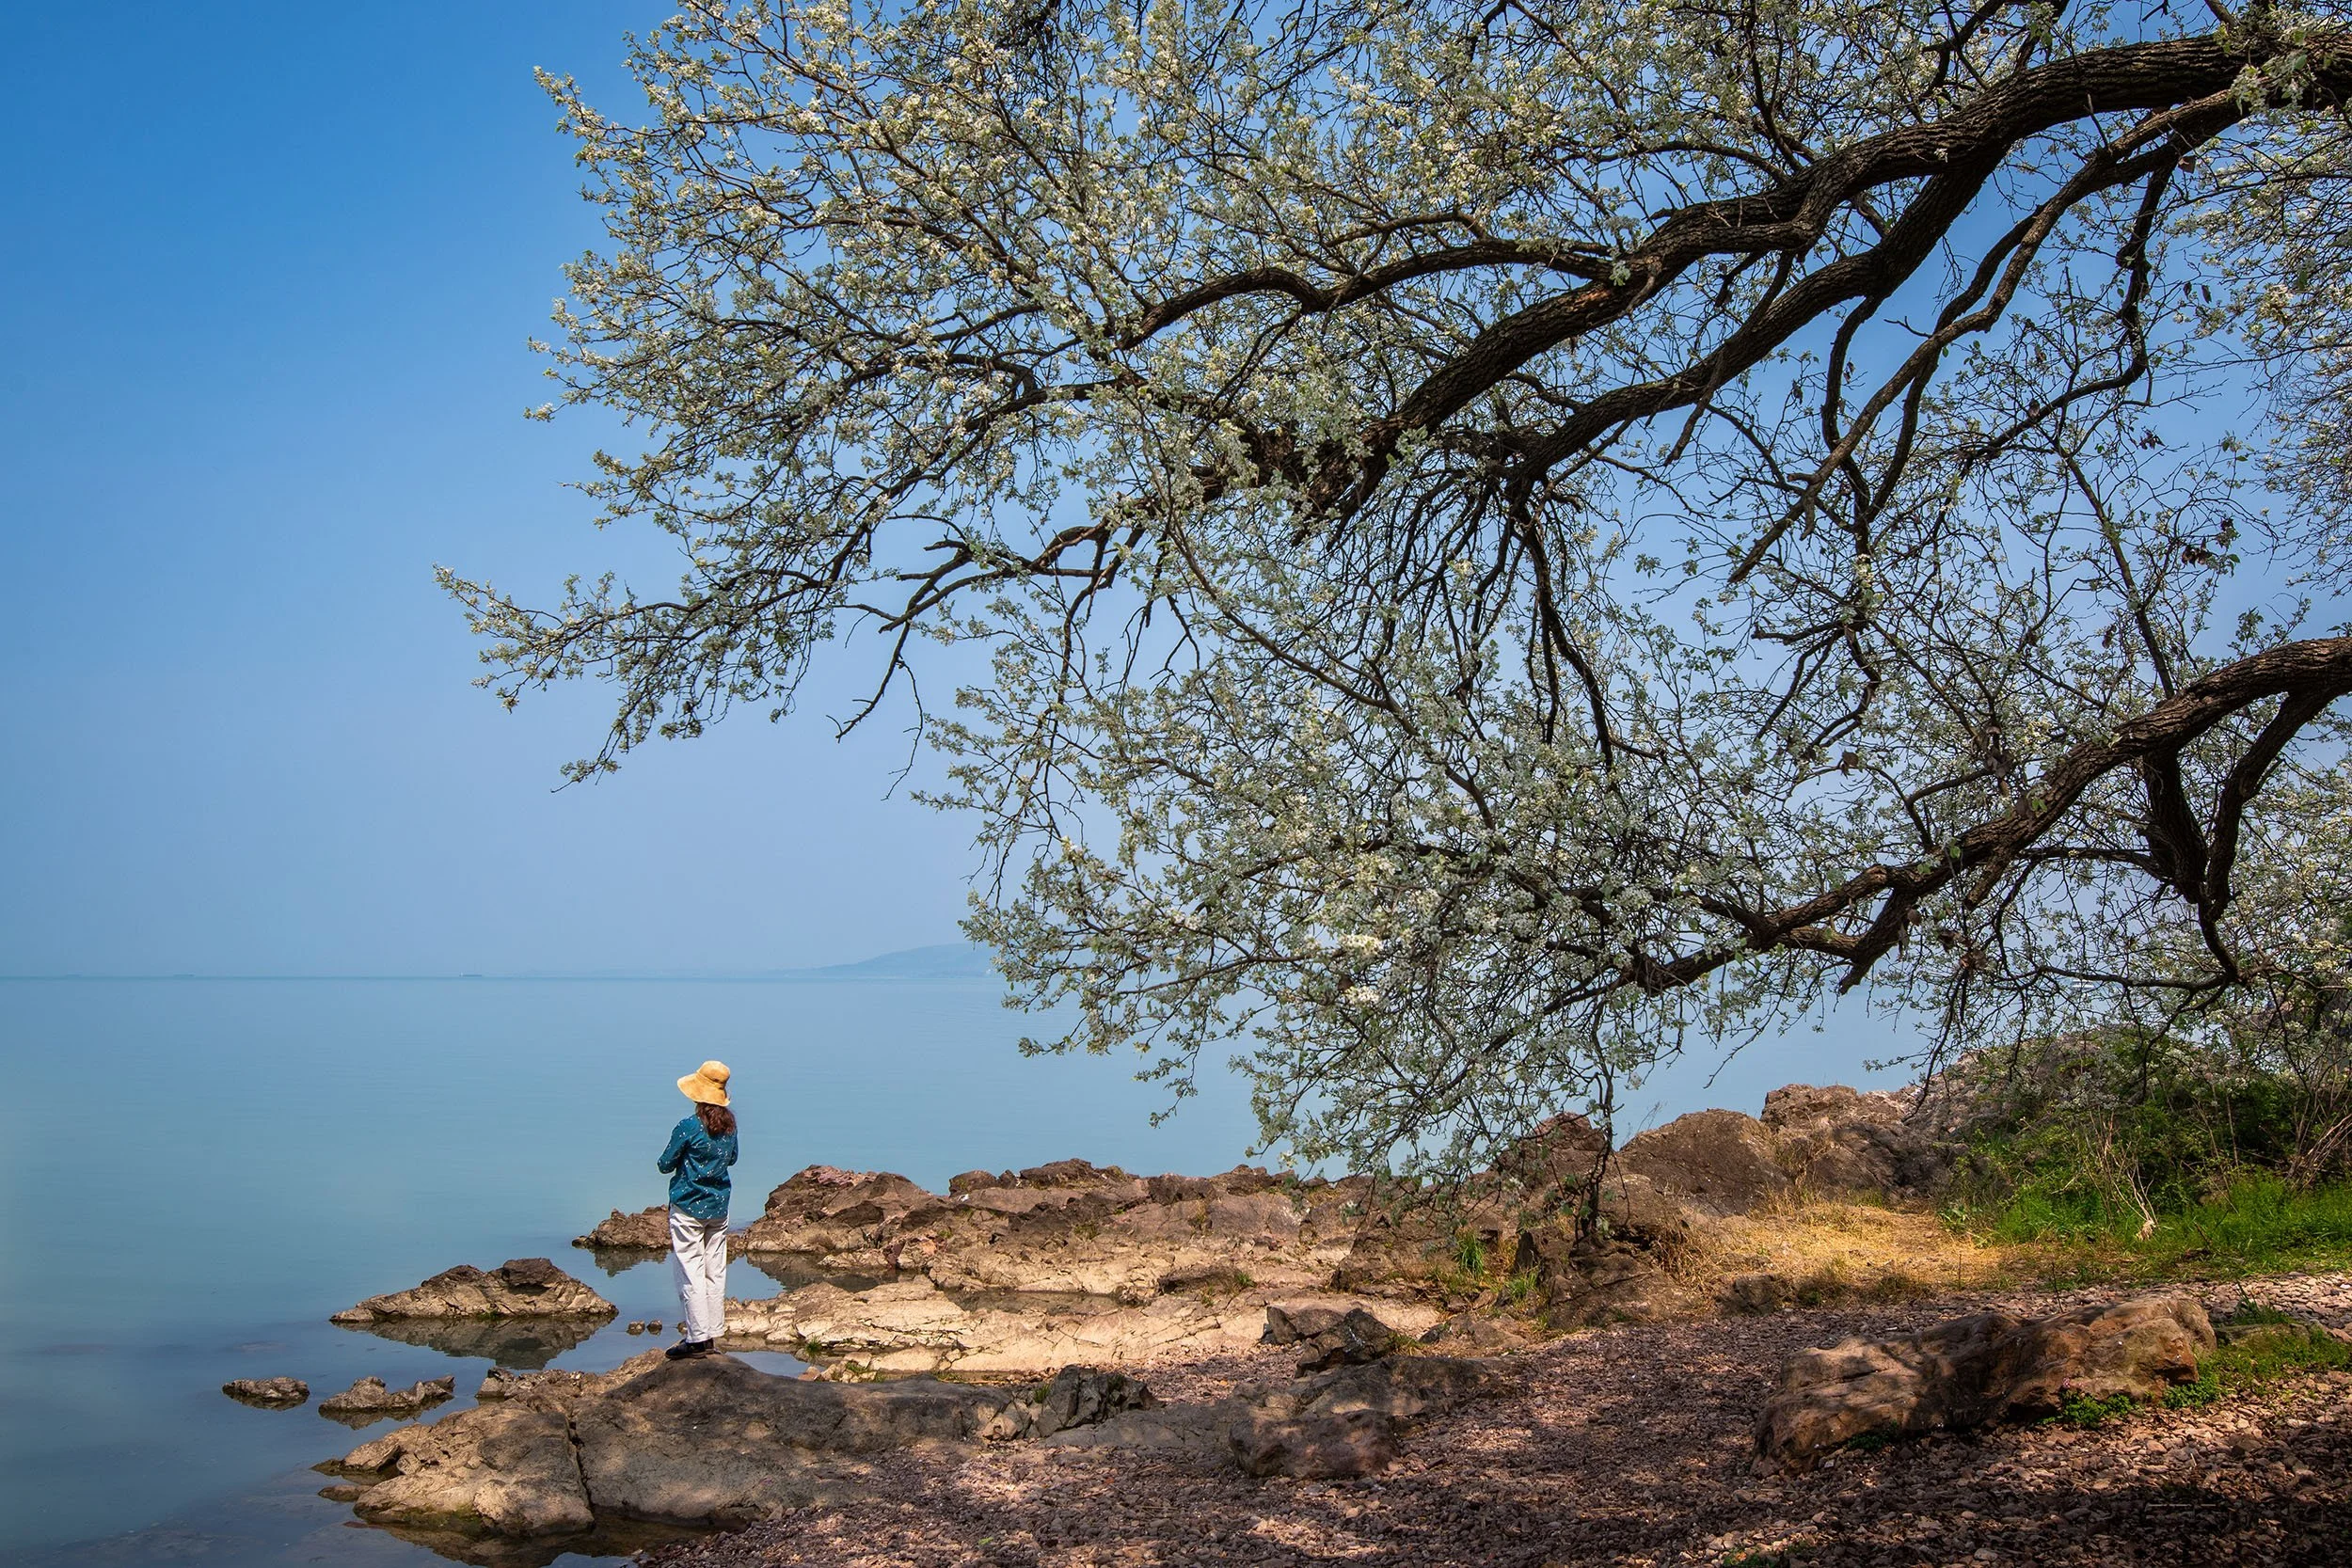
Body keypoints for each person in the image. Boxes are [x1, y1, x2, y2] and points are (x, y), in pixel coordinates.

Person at [658, 1060, 738, 1359]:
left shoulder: (688, 1127)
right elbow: (732, 1159)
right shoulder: (729, 1127)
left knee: (690, 1272)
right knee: (715, 1272)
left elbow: (665, 1164)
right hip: (719, 1207)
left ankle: (696, 1339)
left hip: (688, 1207)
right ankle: (711, 1336)